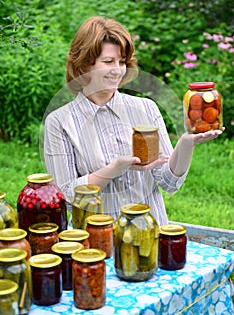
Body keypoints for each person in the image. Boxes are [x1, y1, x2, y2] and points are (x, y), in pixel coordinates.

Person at [43, 16, 224, 226]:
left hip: (150, 232)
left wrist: (187, 141)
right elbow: (64, 194)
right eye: (108, 62)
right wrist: (113, 170)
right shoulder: (60, 122)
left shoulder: (145, 108)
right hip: (96, 242)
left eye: (122, 62)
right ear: (84, 65)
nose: (118, 70)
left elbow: (169, 181)